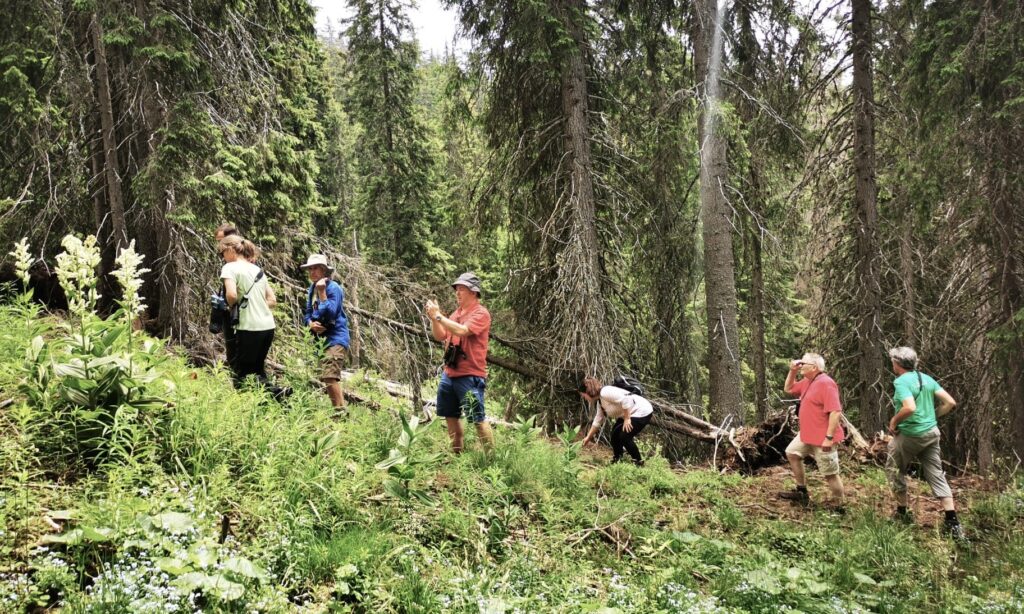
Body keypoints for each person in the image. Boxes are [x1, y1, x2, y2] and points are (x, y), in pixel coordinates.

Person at [886, 346, 965, 540]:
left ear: (897, 363)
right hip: (931, 433)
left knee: (894, 469)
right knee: (936, 474)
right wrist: (933, 416)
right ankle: (953, 522)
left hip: (911, 434)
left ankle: (902, 513)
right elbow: (950, 403)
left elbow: (910, 407)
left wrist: (894, 421)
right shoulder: (926, 379)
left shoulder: (901, 381)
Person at [424, 272, 494, 453]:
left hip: (470, 375)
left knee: (477, 419)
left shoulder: (481, 313)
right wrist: (434, 318)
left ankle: (492, 459)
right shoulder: (456, 314)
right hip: (450, 373)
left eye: (461, 289)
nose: (457, 292)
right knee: (450, 415)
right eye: (456, 289)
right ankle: (457, 455)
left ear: (473, 292)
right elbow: (440, 335)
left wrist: (439, 316)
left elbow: (463, 331)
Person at [219, 235, 286, 397]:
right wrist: (255, 304)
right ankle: (272, 402)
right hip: (267, 327)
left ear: (230, 249)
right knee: (257, 369)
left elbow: (232, 295)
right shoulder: (257, 270)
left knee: (242, 372)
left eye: (222, 252)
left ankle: (278, 394)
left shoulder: (229, 268)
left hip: (249, 327)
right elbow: (272, 300)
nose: (222, 257)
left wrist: (231, 307)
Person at [778, 353, 846, 509]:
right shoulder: (808, 381)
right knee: (792, 453)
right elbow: (788, 388)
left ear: (814, 367)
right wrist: (792, 371)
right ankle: (801, 491)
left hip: (823, 437)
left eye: (804, 363)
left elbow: (835, 411)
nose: (801, 364)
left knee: (830, 474)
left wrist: (829, 438)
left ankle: (839, 506)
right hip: (807, 434)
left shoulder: (826, 383)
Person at [300, 254, 350, 408]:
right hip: (321, 341)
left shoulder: (333, 288)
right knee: (329, 377)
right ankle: (341, 411)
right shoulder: (312, 289)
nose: (312, 272)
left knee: (329, 376)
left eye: (315, 268)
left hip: (336, 338)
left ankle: (339, 413)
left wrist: (322, 293)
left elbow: (330, 313)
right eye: (310, 269)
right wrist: (310, 324)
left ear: (324, 270)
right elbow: (308, 313)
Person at [579, 376, 655, 466]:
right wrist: (588, 437)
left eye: (583, 396)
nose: (584, 398)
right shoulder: (600, 401)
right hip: (630, 413)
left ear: (587, 391)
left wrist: (627, 419)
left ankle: (638, 462)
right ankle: (618, 459)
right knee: (615, 435)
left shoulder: (605, 392)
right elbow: (598, 420)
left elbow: (626, 399)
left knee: (625, 436)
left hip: (642, 411)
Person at [212, 223, 240, 371]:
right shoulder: (228, 262)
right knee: (232, 350)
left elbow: (234, 293)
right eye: (218, 242)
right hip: (230, 313)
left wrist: (230, 304)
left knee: (238, 351)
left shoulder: (240, 263)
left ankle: (240, 384)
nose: (220, 247)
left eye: (221, 241)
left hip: (238, 314)